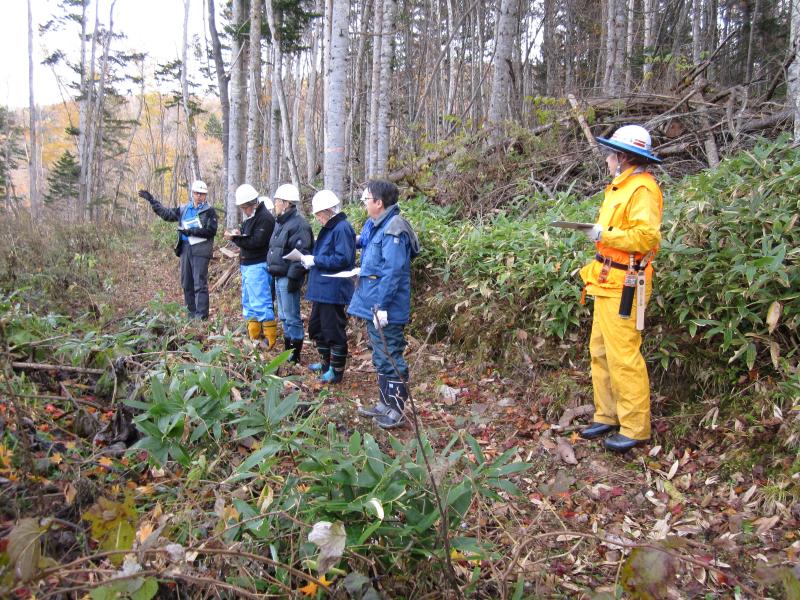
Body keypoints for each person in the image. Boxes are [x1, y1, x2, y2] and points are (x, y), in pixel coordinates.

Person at [577, 125, 663, 453]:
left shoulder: (642, 189)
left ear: (623, 157)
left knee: (624, 356)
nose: (607, 160)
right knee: (599, 351)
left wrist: (603, 234)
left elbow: (645, 238)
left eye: (611, 155)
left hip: (625, 283)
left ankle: (635, 427)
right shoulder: (619, 187)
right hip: (604, 280)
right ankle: (607, 414)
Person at [348, 180, 420, 429]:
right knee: (380, 355)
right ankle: (384, 403)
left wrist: (382, 306)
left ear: (379, 202)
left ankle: (397, 409)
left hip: (386, 307)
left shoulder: (394, 229)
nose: (364, 204)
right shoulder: (377, 227)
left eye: (366, 199)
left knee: (391, 355)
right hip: (373, 304)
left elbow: (393, 272)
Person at [138, 180, 218, 320]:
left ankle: (201, 317)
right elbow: (166, 214)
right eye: (197, 193)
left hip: (201, 250)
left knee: (199, 283)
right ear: (192, 193)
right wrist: (152, 201)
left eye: (202, 194)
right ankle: (190, 315)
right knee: (187, 283)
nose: (199, 196)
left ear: (205, 195)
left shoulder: (209, 211)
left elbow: (211, 231)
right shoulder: (184, 209)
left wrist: (191, 231)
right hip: (185, 249)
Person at [301, 190, 356, 383]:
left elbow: (343, 259)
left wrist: (315, 260)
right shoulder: (330, 228)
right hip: (321, 288)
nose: (317, 218)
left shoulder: (341, 228)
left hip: (333, 289)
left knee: (333, 330)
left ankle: (337, 371)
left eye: (318, 214)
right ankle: (325, 364)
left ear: (329, 210)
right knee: (317, 328)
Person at [224, 184, 277, 348]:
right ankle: (253, 335)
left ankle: (270, 339)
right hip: (247, 265)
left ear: (251, 204)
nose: (243, 211)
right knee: (248, 302)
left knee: (261, 302)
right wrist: (239, 234)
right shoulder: (251, 217)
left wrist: (235, 239)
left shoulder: (265, 218)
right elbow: (248, 235)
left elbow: (257, 241)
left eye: (244, 208)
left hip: (258, 265)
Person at [266, 183, 314, 363]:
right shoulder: (281, 222)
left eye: (278, 200)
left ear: (286, 203)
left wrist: (294, 277)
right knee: (284, 316)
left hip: (288, 277)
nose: (276, 203)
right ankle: (288, 353)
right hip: (278, 276)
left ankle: (294, 356)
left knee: (292, 316)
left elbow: (303, 254)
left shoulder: (299, 225)